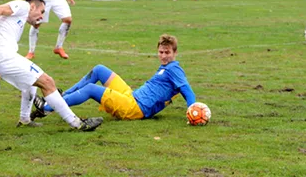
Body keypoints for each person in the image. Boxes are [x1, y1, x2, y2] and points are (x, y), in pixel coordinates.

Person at [0, 0, 103, 131]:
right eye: (42, 11)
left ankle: (25, 119)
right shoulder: (23, 5)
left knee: (31, 84)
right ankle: (78, 124)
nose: (42, 16)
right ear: (32, 6)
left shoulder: (16, 19)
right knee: (47, 81)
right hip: (4, 56)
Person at [31, 34, 196, 122]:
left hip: (135, 108)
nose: (164, 56)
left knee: (90, 89)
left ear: (175, 53)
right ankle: (59, 97)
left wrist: (193, 111)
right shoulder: (167, 67)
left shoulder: (175, 69)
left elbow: (187, 90)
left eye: (168, 53)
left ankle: (47, 107)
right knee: (99, 70)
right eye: (161, 52)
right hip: (131, 96)